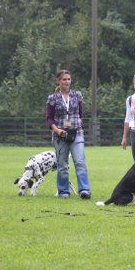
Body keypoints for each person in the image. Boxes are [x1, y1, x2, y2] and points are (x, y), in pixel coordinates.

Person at [46, 69, 91, 199]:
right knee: (62, 165)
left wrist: (76, 125)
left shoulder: (77, 95)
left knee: (80, 161)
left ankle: (84, 190)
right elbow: (49, 118)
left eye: (68, 79)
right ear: (58, 81)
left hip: (76, 133)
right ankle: (63, 191)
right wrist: (57, 130)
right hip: (59, 135)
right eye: (64, 79)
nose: (67, 82)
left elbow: (81, 113)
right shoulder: (52, 98)